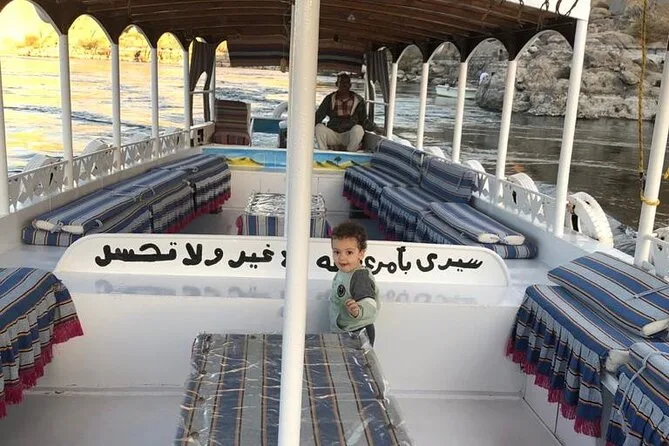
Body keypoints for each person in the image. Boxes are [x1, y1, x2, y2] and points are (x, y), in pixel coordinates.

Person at [329, 221, 379, 346]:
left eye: (349, 252)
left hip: (359, 331)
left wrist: (357, 311)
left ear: (361, 254)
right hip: (346, 329)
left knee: (357, 359)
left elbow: (370, 303)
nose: (341, 258)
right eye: (337, 252)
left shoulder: (359, 277)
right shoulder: (343, 272)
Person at [315, 73, 372, 152]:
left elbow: (363, 120)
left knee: (358, 129)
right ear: (337, 84)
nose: (344, 85)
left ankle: (350, 152)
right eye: (341, 82)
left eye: (346, 82)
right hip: (333, 133)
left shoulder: (358, 100)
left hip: (348, 135)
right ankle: (323, 152)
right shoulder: (329, 98)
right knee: (319, 127)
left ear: (350, 85)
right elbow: (319, 116)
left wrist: (376, 129)